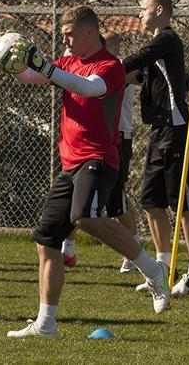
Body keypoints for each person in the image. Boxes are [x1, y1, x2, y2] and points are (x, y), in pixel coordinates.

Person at [5, 5, 170, 339]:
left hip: (99, 158)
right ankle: (46, 324)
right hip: (69, 164)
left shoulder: (110, 65)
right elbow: (32, 76)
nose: (64, 39)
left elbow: (89, 88)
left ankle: (154, 271)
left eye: (69, 33)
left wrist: (46, 67)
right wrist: (12, 59)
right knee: (47, 242)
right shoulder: (67, 62)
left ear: (90, 32)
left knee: (85, 217)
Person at [123, 0, 189, 297]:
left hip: (177, 130)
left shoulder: (166, 39)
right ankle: (160, 270)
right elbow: (139, 74)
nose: (140, 13)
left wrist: (108, 69)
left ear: (159, 10)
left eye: (143, 8)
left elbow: (136, 61)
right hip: (160, 131)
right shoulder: (158, 50)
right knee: (151, 202)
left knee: (182, 202)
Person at [60, 32, 142, 274]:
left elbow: (139, 76)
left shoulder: (115, 70)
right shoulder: (87, 66)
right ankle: (68, 248)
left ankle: (135, 250)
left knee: (117, 202)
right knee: (74, 198)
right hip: (83, 144)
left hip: (115, 142)